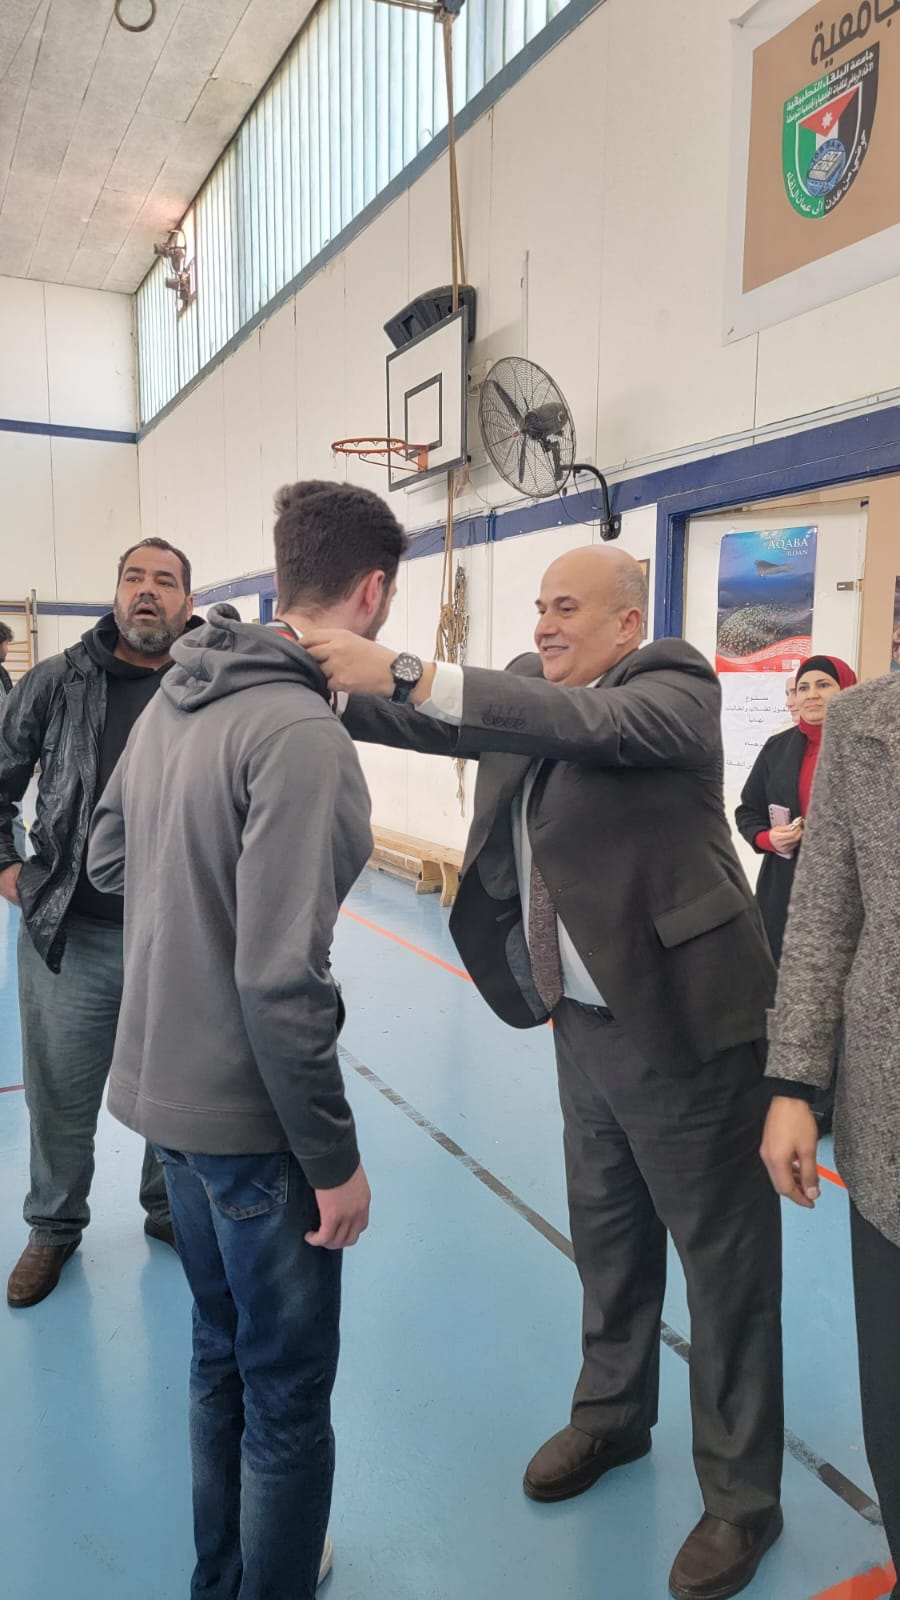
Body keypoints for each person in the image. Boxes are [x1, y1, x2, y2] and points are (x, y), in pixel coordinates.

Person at [307, 539, 784, 1600]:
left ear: (627, 621)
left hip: (688, 1028)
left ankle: (743, 1498)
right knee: (607, 1238)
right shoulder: (528, 686)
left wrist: (404, 667)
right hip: (583, 1024)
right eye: (538, 606)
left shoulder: (673, 686)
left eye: (567, 607)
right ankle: (613, 1416)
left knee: (725, 1271)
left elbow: (591, 729)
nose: (543, 624)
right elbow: (435, 719)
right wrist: (316, 673)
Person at [86, 481, 406, 1600]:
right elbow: (279, 978)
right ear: (373, 593)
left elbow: (109, 859)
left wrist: (195, 889)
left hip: (164, 1104)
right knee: (287, 1395)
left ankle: (221, 1576)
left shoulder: (178, 696)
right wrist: (334, 1158)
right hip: (256, 1128)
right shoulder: (301, 732)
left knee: (217, 1355)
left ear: (279, 579)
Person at [0, 538, 198, 1309]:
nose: (148, 591)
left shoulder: (212, 680)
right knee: (57, 1096)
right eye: (134, 577)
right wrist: (7, 866)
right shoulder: (58, 681)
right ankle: (53, 1226)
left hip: (183, 937)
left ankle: (169, 1209)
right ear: (116, 594)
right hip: (72, 936)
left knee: (176, 1090)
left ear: (187, 601)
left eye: (165, 581)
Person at [761, 672, 900, 1600]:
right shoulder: (865, 724)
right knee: (893, 1388)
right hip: (889, 1116)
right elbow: (825, 915)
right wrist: (794, 1085)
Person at [736, 655, 857, 1134]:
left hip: (851, 892)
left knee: (840, 993)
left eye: (823, 684)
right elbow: (747, 812)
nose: (811, 695)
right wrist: (769, 839)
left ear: (847, 689)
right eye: (803, 686)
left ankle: (829, 1101)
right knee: (786, 988)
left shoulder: (869, 747)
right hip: (785, 887)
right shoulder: (778, 748)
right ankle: (790, 1091)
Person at [0, 622, 28, 860]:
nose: (7, 649)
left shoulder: (2, 675)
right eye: (6, 643)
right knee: (12, 819)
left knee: (13, 818)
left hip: (5, 758)